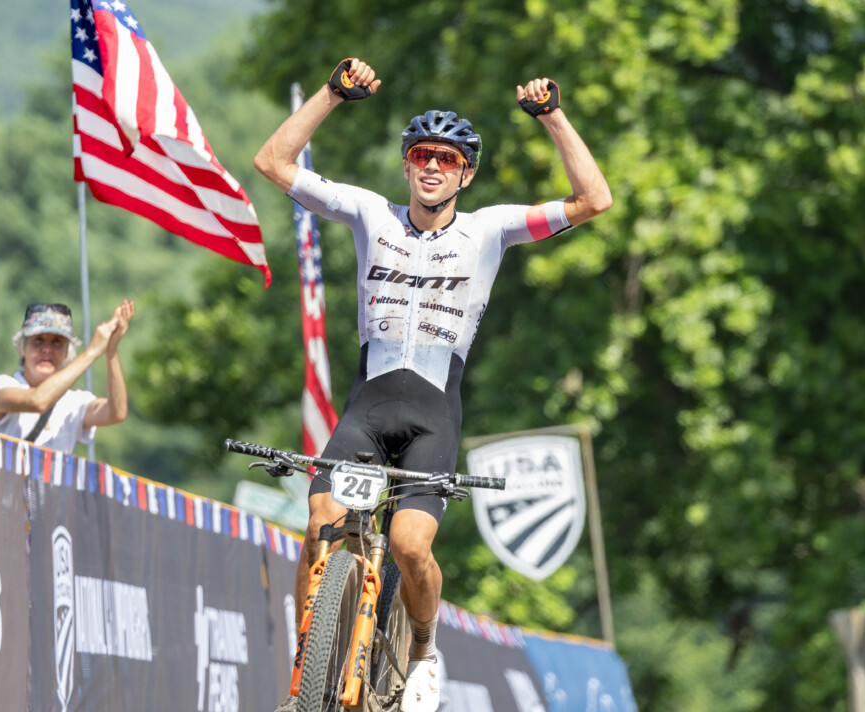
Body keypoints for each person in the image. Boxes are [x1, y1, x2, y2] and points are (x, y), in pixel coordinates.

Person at [254, 58, 611, 712]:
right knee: (320, 520)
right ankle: (310, 665)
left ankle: (422, 651)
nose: (433, 166)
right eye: (422, 154)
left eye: (448, 159)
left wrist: (553, 117)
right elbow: (273, 163)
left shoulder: (490, 229)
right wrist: (331, 95)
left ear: (465, 174)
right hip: (368, 408)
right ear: (406, 165)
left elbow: (595, 200)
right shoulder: (372, 215)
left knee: (409, 545)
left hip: (432, 417)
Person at [0, 300, 135, 453]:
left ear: (67, 352)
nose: (47, 349)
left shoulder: (74, 402)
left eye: (57, 342)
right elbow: (38, 401)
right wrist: (92, 352)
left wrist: (111, 350)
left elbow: (116, 412)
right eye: (38, 341)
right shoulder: (0, 387)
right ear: (22, 348)